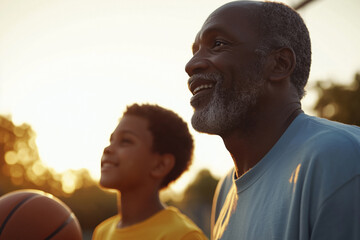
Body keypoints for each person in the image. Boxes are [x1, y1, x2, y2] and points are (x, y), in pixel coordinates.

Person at [185, 1, 360, 240]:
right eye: (195, 51)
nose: (191, 64)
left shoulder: (338, 157)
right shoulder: (225, 189)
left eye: (218, 44)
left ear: (279, 64)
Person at [92, 103, 208, 240]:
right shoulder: (102, 232)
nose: (108, 149)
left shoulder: (182, 235)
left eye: (126, 141)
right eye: (111, 140)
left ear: (160, 165)